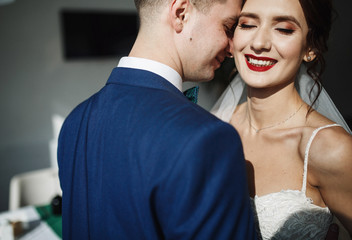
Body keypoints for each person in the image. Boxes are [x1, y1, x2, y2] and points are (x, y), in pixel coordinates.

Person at [57, 0, 257, 239]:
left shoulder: (75, 121)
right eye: (228, 27)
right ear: (181, 13)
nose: (233, 48)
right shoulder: (209, 138)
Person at [211, 0, 352, 239]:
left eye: (284, 29)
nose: (259, 43)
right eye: (247, 25)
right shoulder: (213, 128)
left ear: (311, 48)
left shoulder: (330, 149)